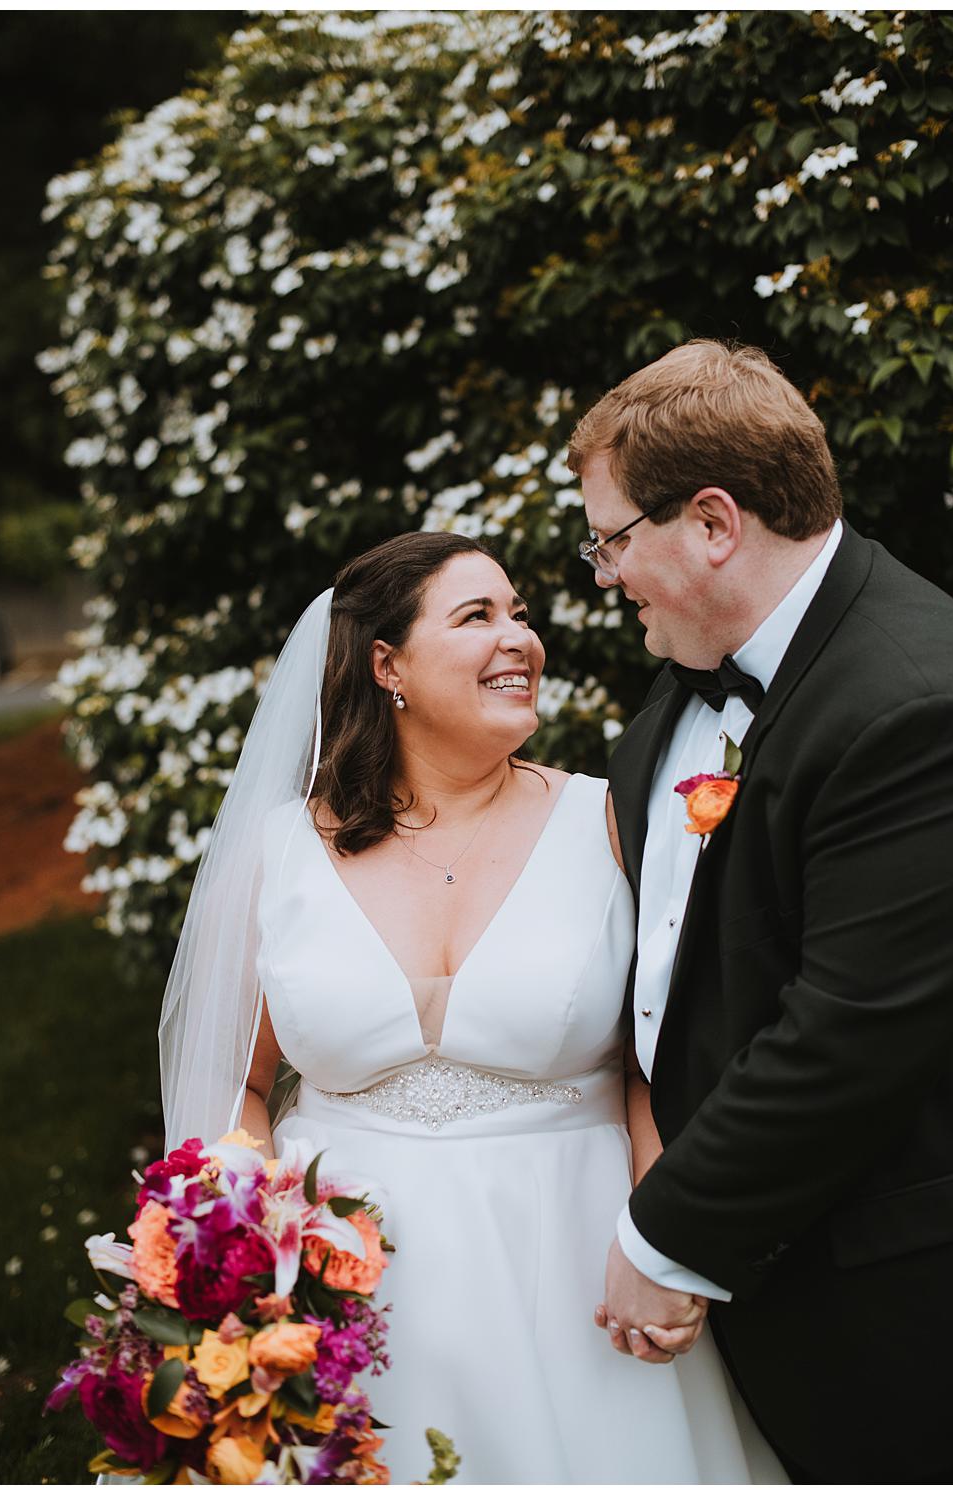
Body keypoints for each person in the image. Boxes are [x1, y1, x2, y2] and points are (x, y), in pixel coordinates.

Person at [160, 531, 783, 1481]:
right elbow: (234, 1081)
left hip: (580, 1276)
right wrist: (246, 1256)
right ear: (388, 666)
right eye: (477, 616)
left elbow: (656, 1066)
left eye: (521, 615)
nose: (519, 638)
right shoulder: (278, 852)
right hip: (343, 1289)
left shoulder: (610, 821)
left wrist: (667, 1242)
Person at [573, 340, 953, 1483]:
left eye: (610, 539)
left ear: (711, 521)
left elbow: (848, 1032)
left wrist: (667, 1234)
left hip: (889, 1306)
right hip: (752, 1291)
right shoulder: (688, 683)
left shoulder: (918, 704)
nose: (602, 574)